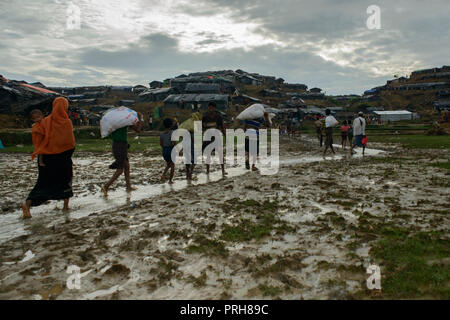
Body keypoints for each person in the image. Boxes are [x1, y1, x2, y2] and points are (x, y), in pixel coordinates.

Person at [22, 98, 76, 219]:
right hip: (63, 159)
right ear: (65, 107)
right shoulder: (67, 122)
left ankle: (27, 205)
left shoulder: (45, 122)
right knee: (65, 181)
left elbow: (37, 134)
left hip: (47, 159)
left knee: (42, 183)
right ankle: (65, 207)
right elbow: (70, 143)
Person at [102, 114, 142, 196]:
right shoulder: (124, 123)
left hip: (117, 145)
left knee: (127, 166)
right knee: (120, 169)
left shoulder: (113, 124)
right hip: (121, 147)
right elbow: (138, 130)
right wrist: (140, 120)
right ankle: (106, 186)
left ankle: (128, 186)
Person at [202, 102, 226, 176]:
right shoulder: (205, 116)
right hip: (208, 137)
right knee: (208, 154)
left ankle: (223, 170)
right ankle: (208, 171)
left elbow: (222, 127)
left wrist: (225, 135)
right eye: (210, 108)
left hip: (217, 136)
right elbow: (203, 127)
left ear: (215, 108)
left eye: (212, 108)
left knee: (220, 153)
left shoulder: (218, 116)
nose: (211, 109)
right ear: (208, 108)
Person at [160, 118, 175, 184]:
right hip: (171, 149)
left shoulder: (161, 134)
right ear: (171, 125)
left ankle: (163, 175)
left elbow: (161, 144)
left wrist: (165, 148)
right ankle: (170, 180)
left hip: (164, 151)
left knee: (169, 164)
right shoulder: (172, 133)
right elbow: (174, 143)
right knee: (172, 166)